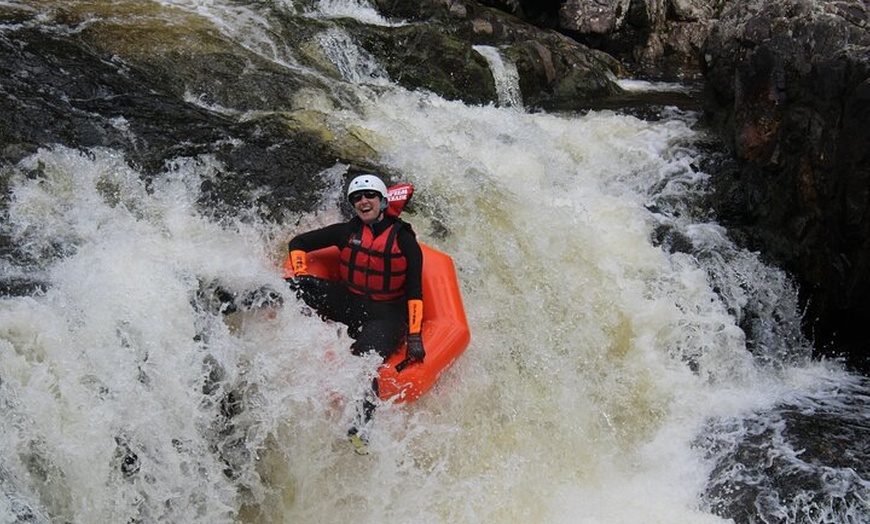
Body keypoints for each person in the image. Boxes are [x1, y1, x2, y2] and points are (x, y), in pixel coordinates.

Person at [285, 173, 425, 452]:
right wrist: (300, 276)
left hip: (385, 315)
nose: (363, 202)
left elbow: (414, 292)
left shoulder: (405, 241)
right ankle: (230, 299)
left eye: (370, 196)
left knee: (365, 358)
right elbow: (297, 243)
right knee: (301, 285)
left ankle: (361, 429)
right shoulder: (345, 232)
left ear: (383, 201)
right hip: (349, 302)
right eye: (357, 198)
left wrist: (415, 336)